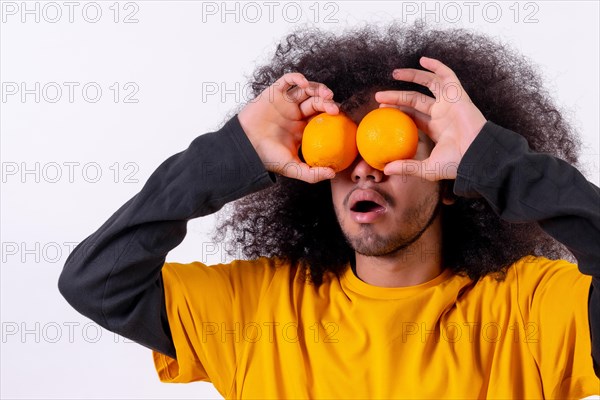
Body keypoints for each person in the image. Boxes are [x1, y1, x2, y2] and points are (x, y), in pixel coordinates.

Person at [58, 22, 600, 399]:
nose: (364, 169)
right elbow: (98, 281)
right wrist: (229, 156)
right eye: (345, 147)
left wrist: (499, 163)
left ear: (452, 178)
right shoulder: (258, 311)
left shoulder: (529, 309)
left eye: (389, 147)